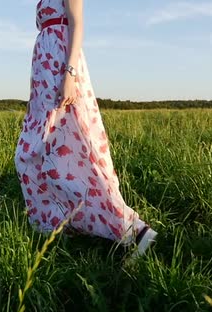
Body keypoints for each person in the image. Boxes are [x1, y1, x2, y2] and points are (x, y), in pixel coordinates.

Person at [14, 0, 157, 256]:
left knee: (70, 152)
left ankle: (133, 231)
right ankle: (60, 225)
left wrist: (69, 74)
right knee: (38, 153)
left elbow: (77, 23)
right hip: (45, 72)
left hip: (61, 68)